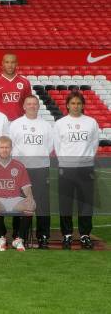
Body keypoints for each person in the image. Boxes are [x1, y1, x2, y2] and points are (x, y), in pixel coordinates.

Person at [53, 91, 99, 250]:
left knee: (85, 204)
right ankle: (67, 235)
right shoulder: (60, 123)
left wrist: (86, 159)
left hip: (86, 169)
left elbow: (94, 144)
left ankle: (85, 235)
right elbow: (57, 146)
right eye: (73, 103)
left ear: (83, 105)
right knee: (66, 204)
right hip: (66, 168)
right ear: (67, 105)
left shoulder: (91, 122)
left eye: (79, 103)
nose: (76, 106)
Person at [9, 95, 54, 249]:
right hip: (21, 170)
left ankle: (43, 236)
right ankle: (18, 234)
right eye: (29, 103)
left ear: (38, 106)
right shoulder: (15, 125)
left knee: (42, 204)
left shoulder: (46, 125)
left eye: (35, 104)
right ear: (24, 106)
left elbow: (50, 146)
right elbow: (11, 146)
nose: (32, 106)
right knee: (20, 202)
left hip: (41, 168)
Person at [0, 136, 35, 252]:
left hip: (15, 199)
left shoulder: (19, 165)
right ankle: (1, 238)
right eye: (2, 147)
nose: (4, 150)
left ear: (11, 148)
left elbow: (26, 187)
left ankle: (18, 239)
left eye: (7, 147)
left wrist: (30, 197)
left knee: (31, 204)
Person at [0, 53, 31, 121]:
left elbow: (29, 103)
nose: (10, 65)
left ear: (16, 64)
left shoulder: (25, 82)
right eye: (7, 62)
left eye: (13, 62)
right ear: (2, 63)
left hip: (19, 121)